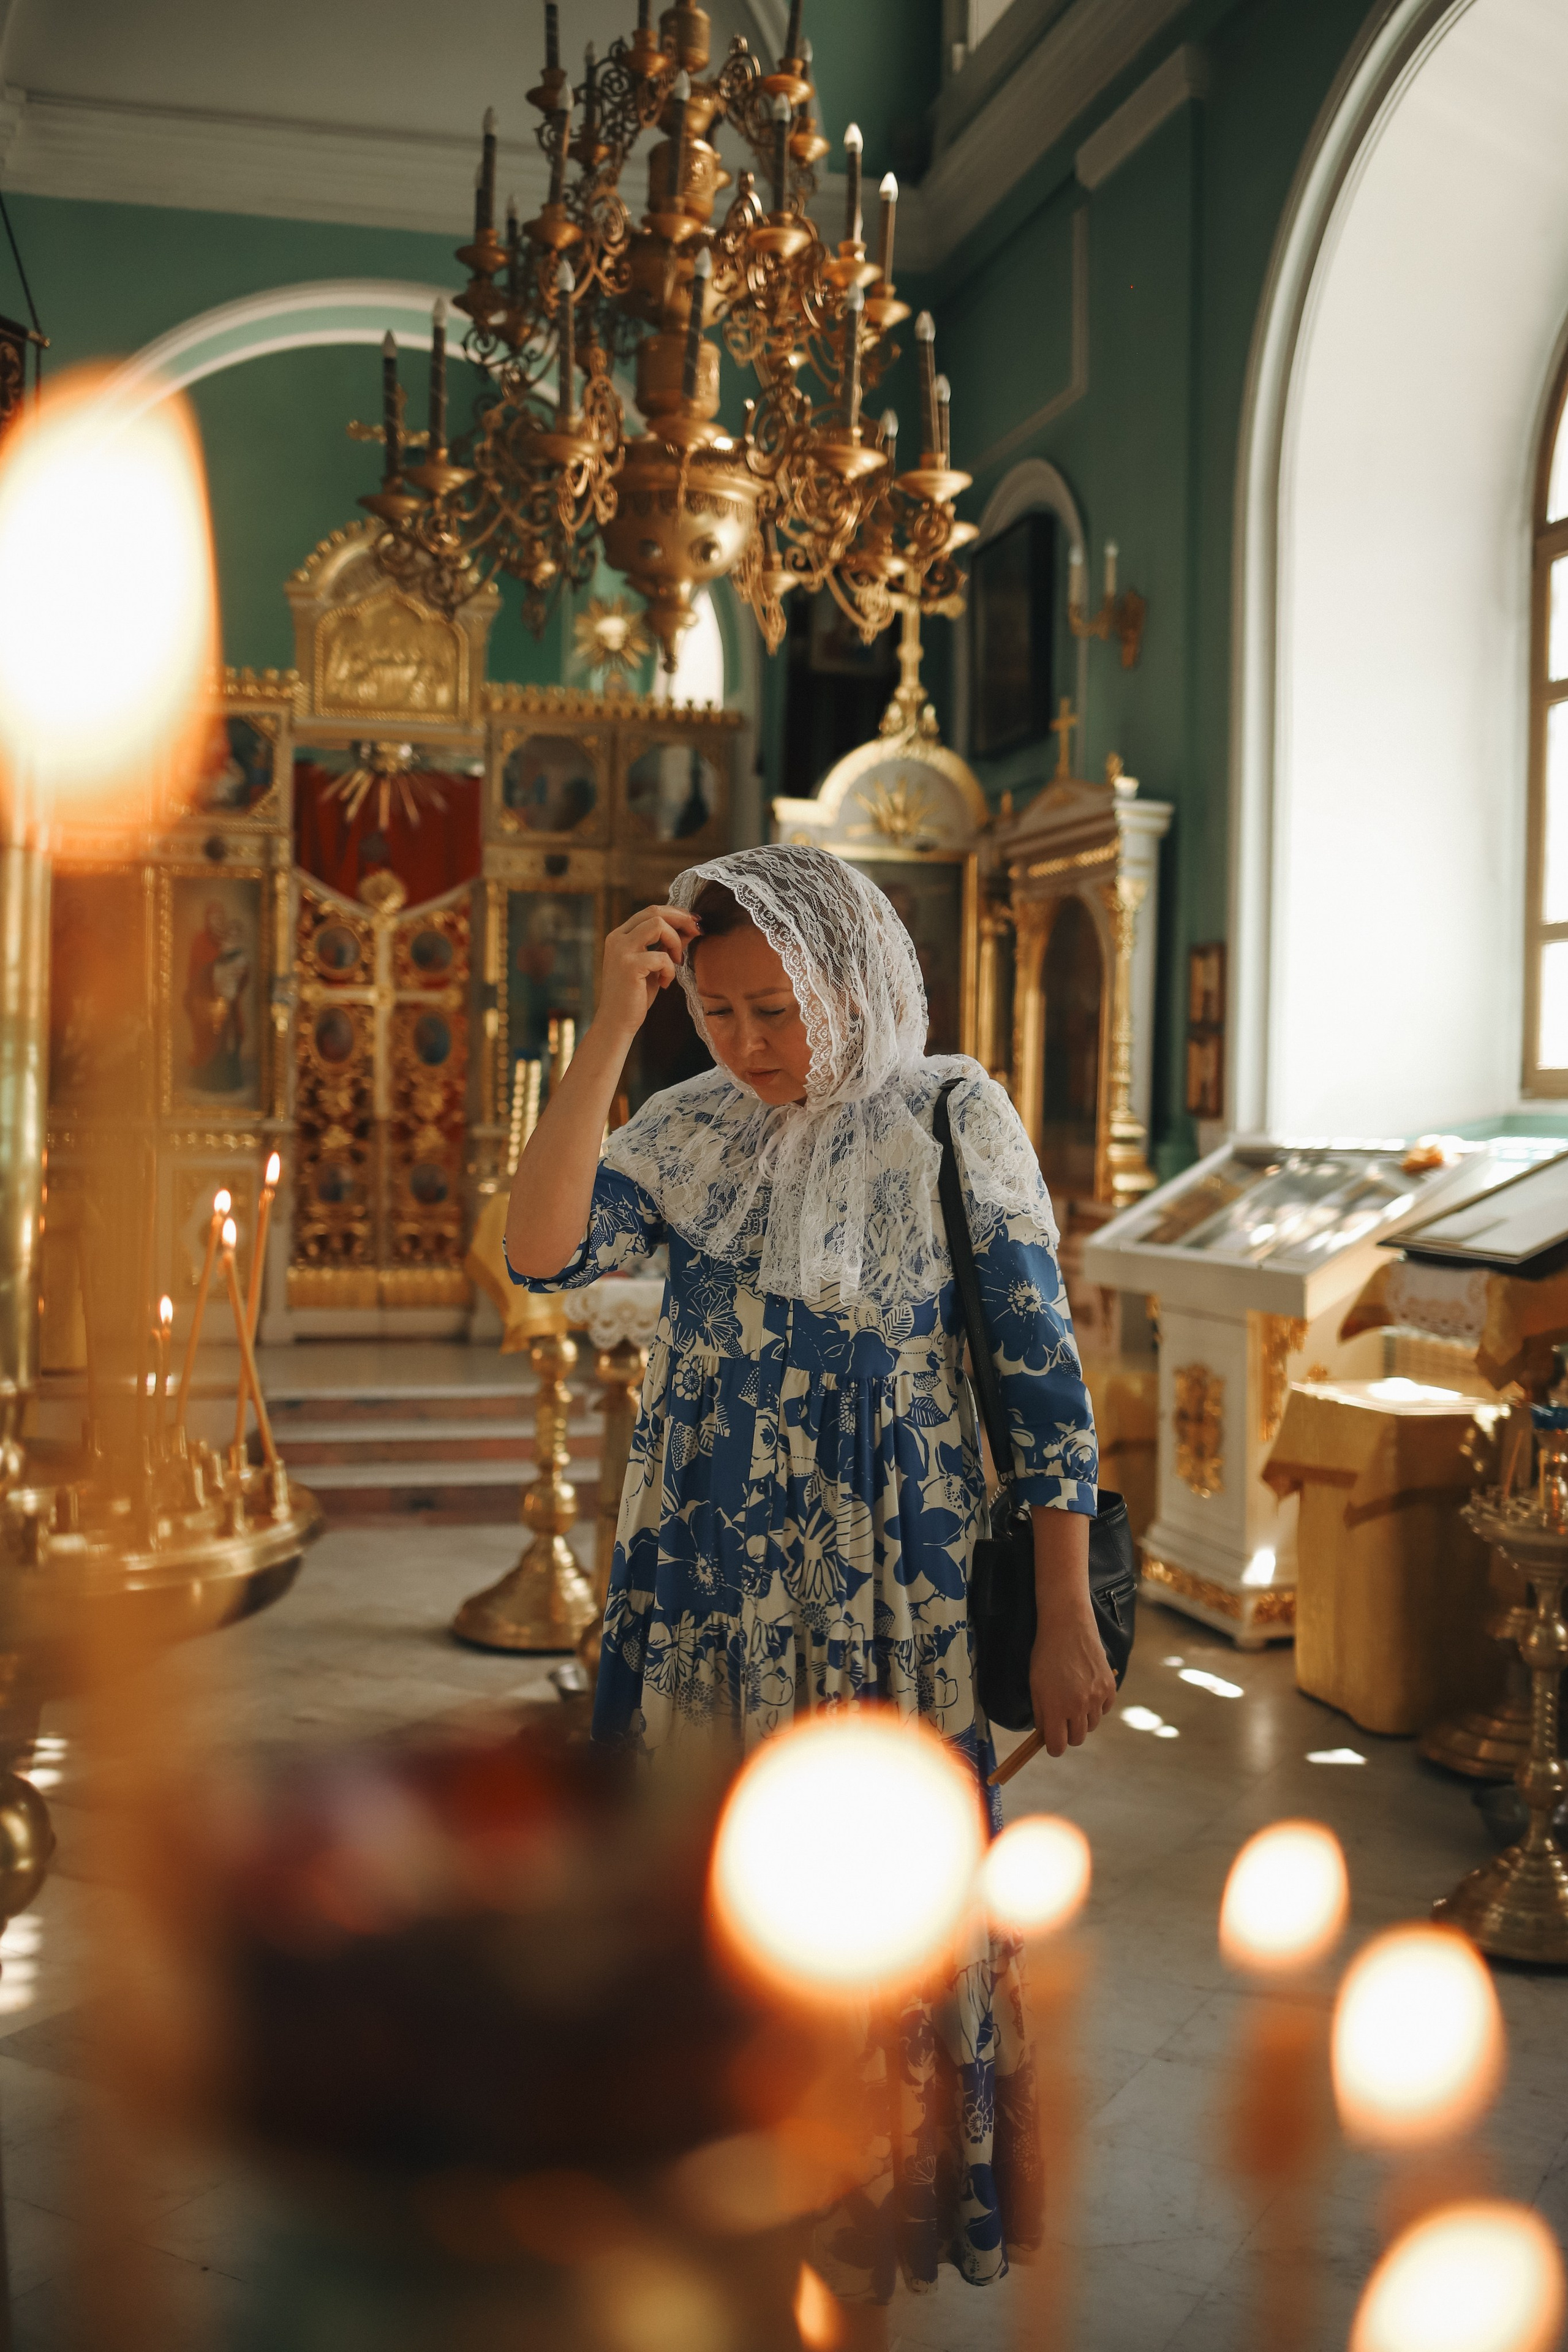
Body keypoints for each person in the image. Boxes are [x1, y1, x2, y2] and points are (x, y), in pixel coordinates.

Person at [504, 843, 1111, 2340]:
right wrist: (609, 1031)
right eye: (716, 1014)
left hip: (883, 1601)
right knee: (698, 1905)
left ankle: (855, 2244)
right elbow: (537, 1253)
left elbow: (1037, 1380)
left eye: (775, 1009)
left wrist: (1065, 1611)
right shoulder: (686, 1125)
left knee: (872, 1919)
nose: (751, 1045)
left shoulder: (948, 1113)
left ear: (848, 979)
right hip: (697, 1586)